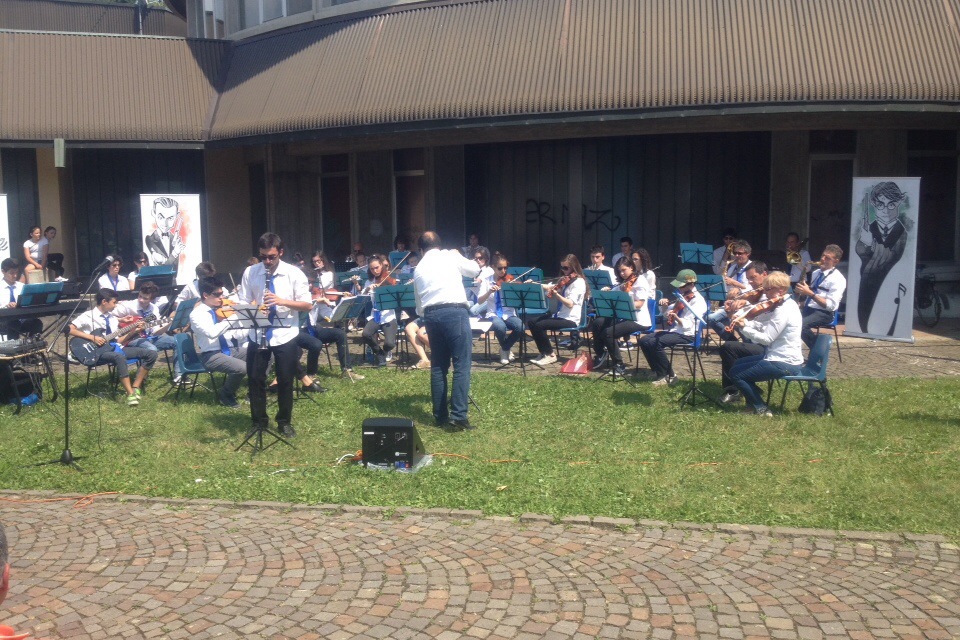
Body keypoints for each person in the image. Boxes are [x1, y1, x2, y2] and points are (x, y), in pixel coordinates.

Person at [238, 232, 312, 438]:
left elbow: (307, 305)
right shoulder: (251, 272)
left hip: (284, 333)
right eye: (263, 257)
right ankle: (258, 421)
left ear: (281, 252)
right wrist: (256, 308)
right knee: (255, 379)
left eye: (272, 257)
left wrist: (281, 301)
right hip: (258, 333)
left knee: (286, 380)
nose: (267, 262)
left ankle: (284, 422)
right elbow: (243, 301)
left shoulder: (294, 274)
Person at [413, 230, 480, 431]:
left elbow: (418, 305)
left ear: (421, 250)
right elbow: (475, 269)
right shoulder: (450, 256)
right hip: (454, 311)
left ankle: (440, 416)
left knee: (438, 366)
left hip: (431, 315)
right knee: (461, 365)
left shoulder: (418, 268)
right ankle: (458, 416)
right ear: (439, 245)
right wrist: (459, 255)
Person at [728, 271, 804, 416]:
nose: (765, 293)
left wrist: (744, 328)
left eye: (768, 289)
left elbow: (766, 339)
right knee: (737, 365)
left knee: (737, 375)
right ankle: (752, 401)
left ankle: (760, 408)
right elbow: (767, 327)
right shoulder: (785, 305)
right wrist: (746, 323)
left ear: (781, 290)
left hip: (784, 362)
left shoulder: (784, 310)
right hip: (777, 356)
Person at [68, 288, 158, 406]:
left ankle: (136, 386)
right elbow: (69, 329)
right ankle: (130, 394)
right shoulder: (88, 315)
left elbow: (118, 340)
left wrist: (133, 332)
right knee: (118, 356)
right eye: (114, 302)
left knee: (151, 354)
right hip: (96, 352)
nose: (116, 305)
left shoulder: (112, 319)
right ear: (104, 301)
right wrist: (92, 337)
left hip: (113, 348)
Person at [301, 250, 364, 381]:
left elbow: (328, 314)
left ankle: (347, 370)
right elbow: (302, 307)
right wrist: (315, 300)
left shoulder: (318, 293)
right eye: (308, 282)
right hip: (300, 329)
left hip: (313, 327)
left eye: (312, 283)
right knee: (315, 343)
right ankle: (311, 374)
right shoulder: (298, 294)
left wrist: (340, 306)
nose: (311, 286)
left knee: (340, 334)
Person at [854, 181, 908, 332]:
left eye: (891, 205)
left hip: (889, 285)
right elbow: (860, 252)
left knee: (888, 323)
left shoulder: (902, 233)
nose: (885, 210)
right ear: (874, 205)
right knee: (864, 321)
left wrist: (870, 244)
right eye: (880, 205)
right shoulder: (869, 229)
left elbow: (892, 257)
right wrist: (865, 243)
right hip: (866, 285)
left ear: (898, 204)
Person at [639, 269, 707, 386]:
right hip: (676, 331)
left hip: (688, 335)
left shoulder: (698, 301)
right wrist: (664, 306)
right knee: (644, 340)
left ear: (691, 284)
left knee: (655, 343)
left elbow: (689, 325)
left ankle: (669, 375)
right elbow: (667, 314)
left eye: (681, 286)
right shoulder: (683, 296)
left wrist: (677, 318)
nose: (679, 288)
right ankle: (657, 371)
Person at [716, 261, 771, 404]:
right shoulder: (755, 296)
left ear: (765, 275)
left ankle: (734, 390)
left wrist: (745, 303)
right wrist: (731, 312)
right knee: (730, 348)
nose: (750, 283)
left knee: (729, 348)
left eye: (753, 278)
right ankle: (743, 387)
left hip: (769, 346)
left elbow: (761, 325)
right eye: (748, 279)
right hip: (756, 339)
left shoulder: (771, 298)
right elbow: (744, 319)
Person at [190, 276, 249, 409]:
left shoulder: (220, 310)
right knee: (243, 368)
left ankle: (255, 390)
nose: (221, 298)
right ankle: (226, 395)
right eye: (217, 295)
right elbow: (212, 333)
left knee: (264, 354)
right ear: (205, 295)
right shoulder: (197, 315)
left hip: (228, 349)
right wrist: (234, 316)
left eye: (222, 293)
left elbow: (238, 333)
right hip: (210, 355)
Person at [590, 256, 652, 376]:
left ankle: (619, 364)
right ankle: (600, 353)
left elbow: (639, 303)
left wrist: (624, 300)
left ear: (631, 267)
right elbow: (614, 294)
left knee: (608, 333)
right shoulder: (625, 282)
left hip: (638, 319)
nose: (622, 274)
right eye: (619, 271)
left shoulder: (640, 281)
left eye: (624, 270)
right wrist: (607, 293)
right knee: (598, 323)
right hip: (623, 315)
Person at [527, 254, 588, 366]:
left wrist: (557, 295)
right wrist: (534, 284)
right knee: (531, 322)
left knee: (539, 325)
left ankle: (550, 355)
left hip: (570, 319)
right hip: (560, 315)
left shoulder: (579, 283)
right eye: (562, 267)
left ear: (574, 267)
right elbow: (550, 287)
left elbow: (570, 304)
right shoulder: (566, 280)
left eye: (566, 268)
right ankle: (543, 352)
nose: (563, 271)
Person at [795, 244, 846, 350]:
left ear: (835, 261)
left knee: (800, 326)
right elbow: (812, 294)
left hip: (824, 313)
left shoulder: (838, 279)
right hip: (809, 308)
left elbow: (831, 306)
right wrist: (802, 295)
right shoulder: (816, 273)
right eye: (823, 255)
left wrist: (810, 293)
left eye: (827, 258)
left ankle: (819, 351)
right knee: (788, 322)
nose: (822, 259)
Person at [476, 253, 524, 364]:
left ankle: (504, 349)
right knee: (500, 327)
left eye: (505, 268)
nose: (503, 271)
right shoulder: (487, 281)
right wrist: (489, 292)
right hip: (493, 314)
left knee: (520, 326)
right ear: (493, 267)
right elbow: (479, 301)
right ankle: (506, 350)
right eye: (500, 268)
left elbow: (518, 298)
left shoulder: (509, 280)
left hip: (509, 313)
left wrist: (518, 287)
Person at [112, 280, 177, 355]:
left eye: (145, 298)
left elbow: (155, 333)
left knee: (176, 341)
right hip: (131, 338)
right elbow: (110, 316)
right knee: (152, 349)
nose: (141, 300)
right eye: (140, 296)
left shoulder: (154, 309)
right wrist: (121, 320)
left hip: (149, 337)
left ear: (152, 299)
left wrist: (170, 322)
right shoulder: (128, 306)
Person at [360, 255, 398, 366]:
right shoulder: (369, 282)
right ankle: (379, 353)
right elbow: (362, 296)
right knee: (366, 334)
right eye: (372, 269)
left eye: (377, 267)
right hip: (375, 315)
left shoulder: (389, 279)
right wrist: (368, 289)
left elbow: (396, 293)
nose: (375, 271)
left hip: (388, 316)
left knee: (390, 344)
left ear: (382, 265)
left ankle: (386, 351)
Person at [0, 259, 43, 338]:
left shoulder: (22, 287)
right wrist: (6, 306)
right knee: (13, 323)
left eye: (16, 272)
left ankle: (33, 343)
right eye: (11, 273)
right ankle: (14, 345)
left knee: (37, 323)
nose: (15, 276)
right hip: (3, 321)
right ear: (3, 271)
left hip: (22, 319)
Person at [144, 196, 185, 266]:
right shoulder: (150, 239)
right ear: (153, 213)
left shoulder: (174, 238)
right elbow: (164, 267)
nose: (165, 224)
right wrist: (175, 252)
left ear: (177, 216)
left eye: (170, 218)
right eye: (161, 217)